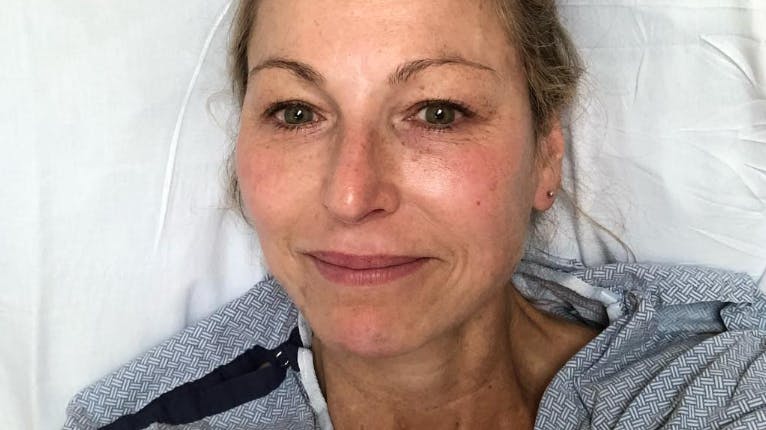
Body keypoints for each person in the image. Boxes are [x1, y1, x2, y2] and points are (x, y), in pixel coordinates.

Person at [65, 0, 766, 429]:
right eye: (297, 112)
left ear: (546, 155)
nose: (351, 195)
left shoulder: (722, 378)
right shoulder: (141, 421)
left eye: (437, 112)